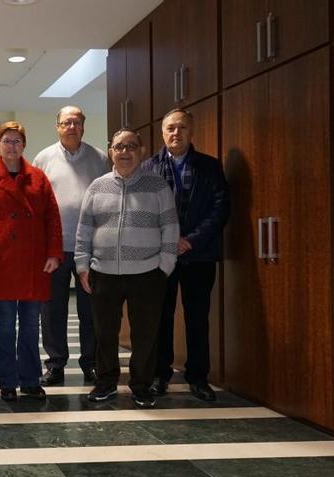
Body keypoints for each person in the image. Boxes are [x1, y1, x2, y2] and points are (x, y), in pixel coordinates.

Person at [75, 128, 178, 409]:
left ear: (141, 151)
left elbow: (170, 229)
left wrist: (164, 268)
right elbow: (84, 230)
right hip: (104, 273)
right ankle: (106, 383)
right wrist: (82, 266)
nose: (125, 152)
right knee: (104, 333)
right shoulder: (97, 187)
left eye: (131, 146)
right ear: (111, 152)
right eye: (119, 146)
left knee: (145, 335)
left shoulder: (158, 187)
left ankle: (141, 386)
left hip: (147, 274)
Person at [141, 108, 230, 401]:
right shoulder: (148, 169)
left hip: (199, 255)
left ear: (191, 131)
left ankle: (198, 377)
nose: (175, 133)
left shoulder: (210, 166)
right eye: (170, 128)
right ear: (162, 133)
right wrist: (168, 241)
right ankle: (159, 375)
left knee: (197, 317)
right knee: (160, 317)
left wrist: (190, 240)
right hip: (159, 257)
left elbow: (220, 209)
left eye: (181, 128)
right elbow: (141, 213)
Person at [0, 121, 62, 402]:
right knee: (6, 325)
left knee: (32, 325)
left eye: (17, 141)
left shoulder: (38, 178)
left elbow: (52, 219)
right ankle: (8, 381)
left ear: (24, 145)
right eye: (7, 141)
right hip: (2, 264)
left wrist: (53, 253)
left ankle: (30, 379)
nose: (12, 146)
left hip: (34, 263)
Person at [33, 105, 110, 386]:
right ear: (57, 126)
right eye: (66, 122)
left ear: (83, 126)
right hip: (53, 249)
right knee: (52, 311)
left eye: (76, 122)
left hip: (90, 248)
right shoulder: (43, 159)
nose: (71, 127)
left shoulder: (100, 159)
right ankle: (55, 365)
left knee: (90, 310)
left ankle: (90, 363)